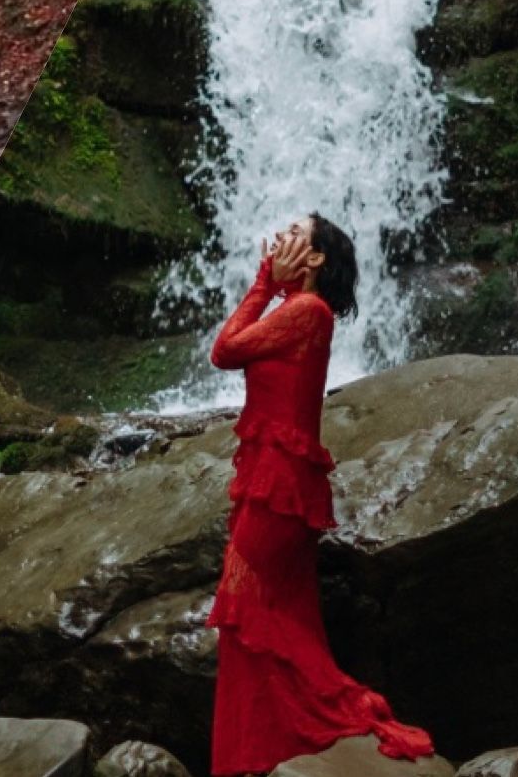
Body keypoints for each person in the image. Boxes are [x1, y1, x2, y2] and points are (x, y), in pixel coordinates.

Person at [206, 214, 436, 775]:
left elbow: (225, 350)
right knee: (277, 615)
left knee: (244, 607)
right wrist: (268, 286)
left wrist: (262, 282)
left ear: (314, 260)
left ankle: (249, 753)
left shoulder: (307, 311)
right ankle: (259, 748)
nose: (279, 240)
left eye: (293, 235)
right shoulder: (296, 311)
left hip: (280, 488)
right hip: (270, 481)